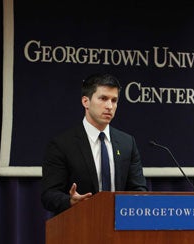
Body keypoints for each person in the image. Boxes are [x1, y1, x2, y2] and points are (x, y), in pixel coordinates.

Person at [41, 73, 147, 215]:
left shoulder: (127, 143)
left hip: (120, 228)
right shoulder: (62, 145)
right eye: (103, 98)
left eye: (114, 100)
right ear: (86, 101)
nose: (109, 106)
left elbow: (138, 190)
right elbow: (49, 195)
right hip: (80, 226)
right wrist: (70, 201)